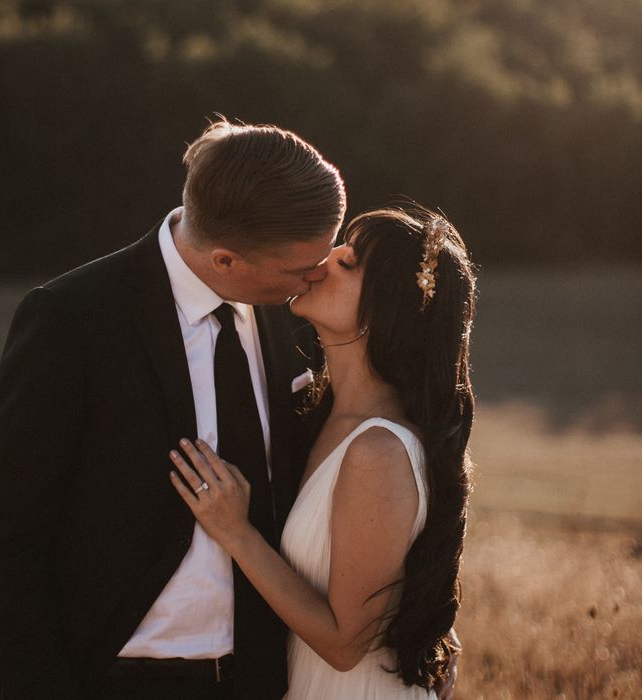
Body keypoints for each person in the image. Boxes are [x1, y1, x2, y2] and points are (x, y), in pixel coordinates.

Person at [0, 118, 345, 699]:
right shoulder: (72, 319)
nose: (318, 278)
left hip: (264, 678)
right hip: (109, 678)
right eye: (300, 269)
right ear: (225, 260)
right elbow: (9, 536)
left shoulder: (300, 316)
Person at [169, 207, 475, 699]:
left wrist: (235, 531)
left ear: (384, 310)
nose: (322, 259)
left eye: (347, 262)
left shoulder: (378, 450)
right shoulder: (317, 414)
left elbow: (345, 643)